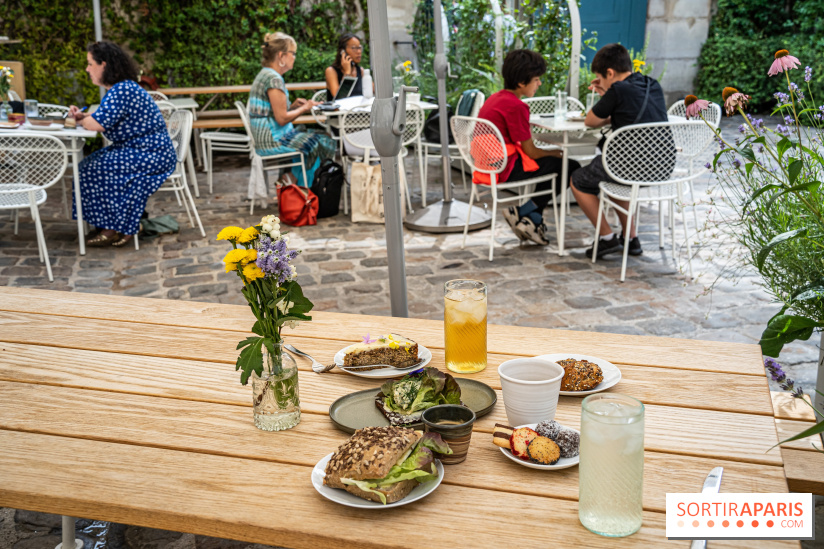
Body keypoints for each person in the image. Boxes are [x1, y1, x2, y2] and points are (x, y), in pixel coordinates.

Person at [69, 41, 176, 247]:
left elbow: (97, 123)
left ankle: (116, 226)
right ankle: (110, 224)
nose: (87, 69)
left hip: (150, 153)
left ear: (104, 65)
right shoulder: (121, 88)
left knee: (96, 168)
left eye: (90, 64)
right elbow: (99, 118)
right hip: (140, 150)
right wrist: (83, 117)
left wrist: (81, 119)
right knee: (87, 166)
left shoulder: (122, 90)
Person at [570, 43, 669, 259]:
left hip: (629, 166)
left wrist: (603, 92)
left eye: (601, 77)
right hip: (663, 166)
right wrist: (606, 89)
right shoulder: (652, 84)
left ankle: (606, 238)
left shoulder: (618, 89)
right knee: (617, 176)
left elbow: (591, 120)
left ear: (610, 73)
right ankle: (631, 238)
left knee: (578, 180)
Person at [478, 49, 579, 246]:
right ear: (521, 82)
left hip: (490, 163)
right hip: (505, 168)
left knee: (556, 164)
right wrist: (554, 152)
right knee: (570, 167)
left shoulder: (496, 98)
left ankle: (532, 220)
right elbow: (531, 151)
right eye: (536, 79)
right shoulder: (517, 107)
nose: (539, 83)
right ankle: (524, 212)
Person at [249, 32, 335, 186]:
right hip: (272, 140)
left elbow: (274, 113)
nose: (295, 57)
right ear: (281, 56)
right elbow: (281, 119)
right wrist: (305, 108)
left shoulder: (266, 75)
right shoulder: (273, 79)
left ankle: (293, 181)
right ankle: (303, 190)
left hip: (269, 136)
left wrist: (293, 107)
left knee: (320, 137)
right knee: (319, 141)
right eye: (293, 53)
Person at [325, 33, 364, 101]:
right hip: (340, 111)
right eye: (354, 48)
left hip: (359, 110)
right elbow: (340, 98)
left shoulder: (360, 70)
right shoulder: (331, 71)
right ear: (343, 52)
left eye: (360, 48)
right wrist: (347, 73)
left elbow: (373, 91)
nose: (359, 52)